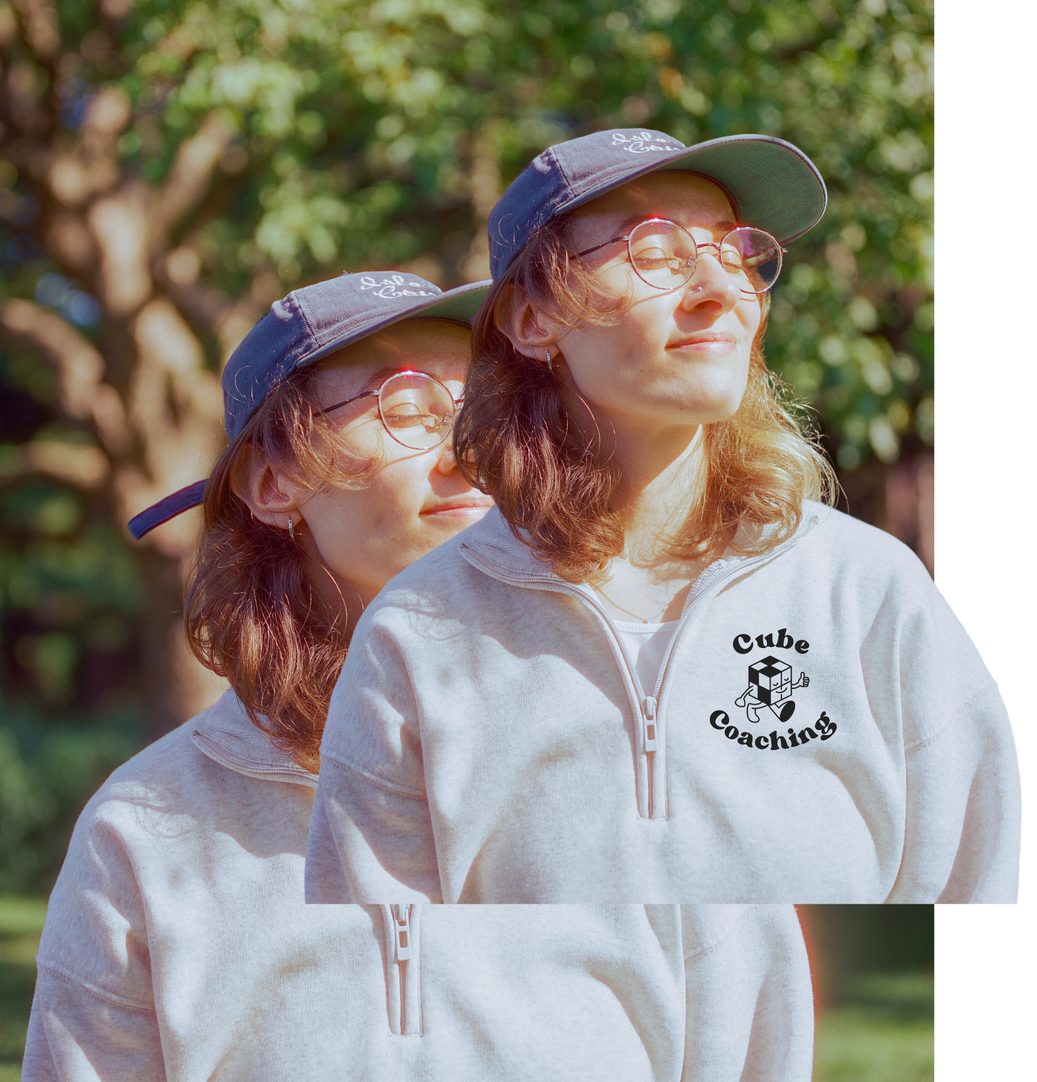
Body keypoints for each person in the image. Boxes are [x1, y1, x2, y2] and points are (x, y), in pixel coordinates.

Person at [23, 266, 815, 1082]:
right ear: (272, 482)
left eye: (483, 408)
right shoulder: (148, 830)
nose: (466, 450)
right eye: (405, 409)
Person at [308, 130, 1021, 906]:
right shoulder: (415, 637)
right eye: (655, 251)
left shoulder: (866, 591)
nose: (721, 288)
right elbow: (381, 989)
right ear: (531, 317)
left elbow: (981, 930)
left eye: (736, 250)